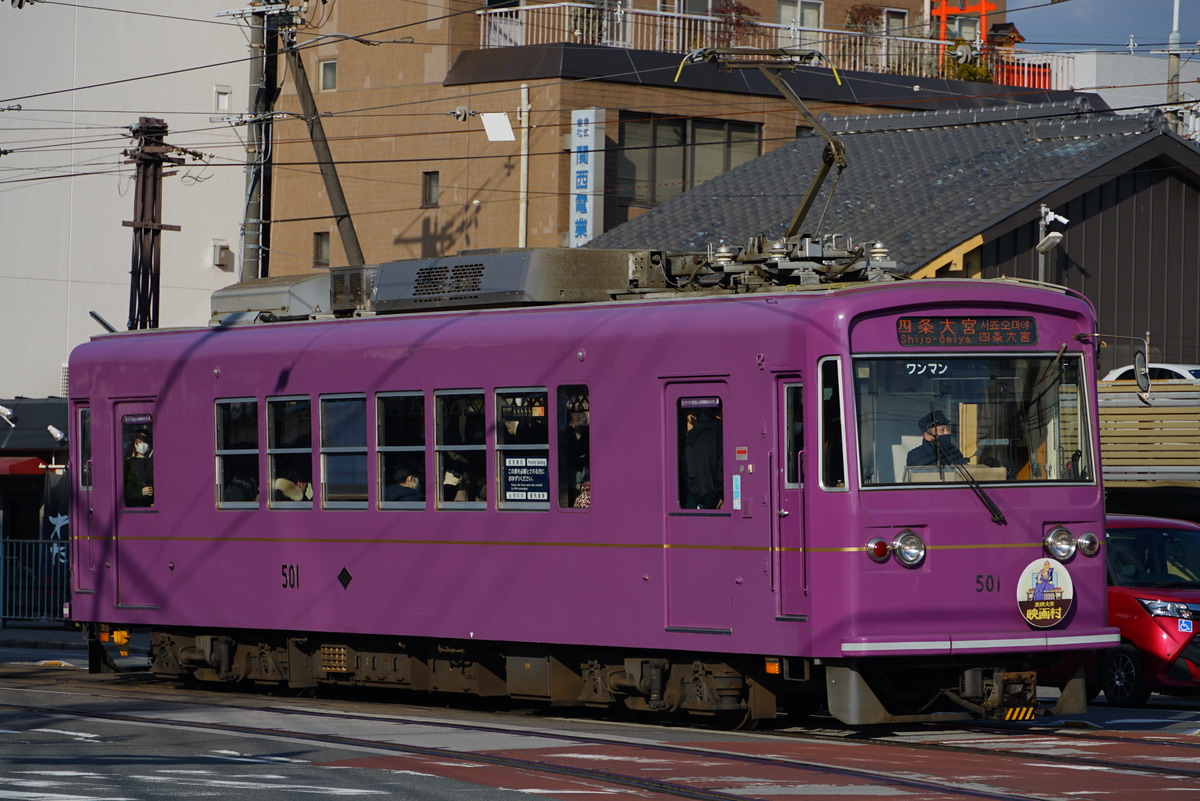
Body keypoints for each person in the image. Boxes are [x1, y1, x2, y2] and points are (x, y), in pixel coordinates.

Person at [683, 408, 723, 509]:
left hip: (698, 495)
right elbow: (721, 466)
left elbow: (687, 468)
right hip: (717, 496)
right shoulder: (721, 432)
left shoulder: (691, 437)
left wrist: (693, 491)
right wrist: (722, 494)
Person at [124, 429, 154, 507]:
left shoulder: (155, 461)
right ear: (134, 444)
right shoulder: (129, 463)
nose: (143, 444)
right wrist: (141, 492)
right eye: (139, 442)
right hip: (137, 507)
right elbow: (125, 490)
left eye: (145, 441)